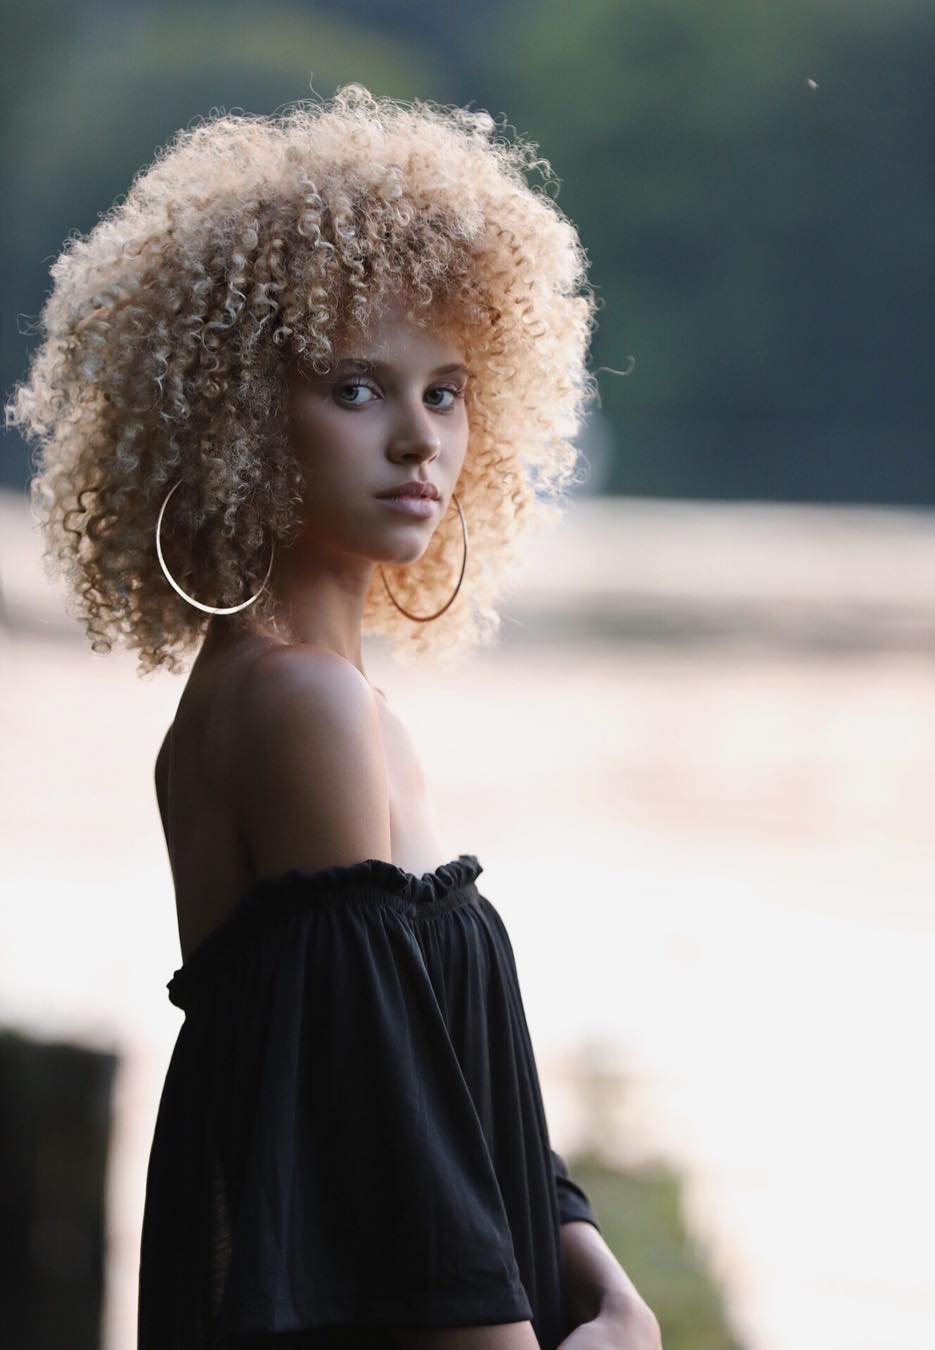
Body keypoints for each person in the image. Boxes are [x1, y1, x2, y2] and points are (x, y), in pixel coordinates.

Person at [4, 85, 662, 1349]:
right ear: (237, 422)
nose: (419, 440)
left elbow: (429, 1074)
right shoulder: (299, 704)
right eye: (357, 389)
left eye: (447, 390)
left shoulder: (304, 691)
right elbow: (392, 1157)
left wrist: (597, 1271)